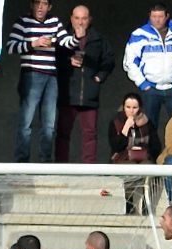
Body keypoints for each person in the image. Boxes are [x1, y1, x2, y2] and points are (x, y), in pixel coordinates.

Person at [5, 0, 76, 163]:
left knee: (49, 124)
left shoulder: (54, 22)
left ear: (49, 7)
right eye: (37, 3)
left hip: (51, 76)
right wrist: (34, 43)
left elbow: (67, 42)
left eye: (44, 3)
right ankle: (22, 162)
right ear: (31, 5)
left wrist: (78, 35)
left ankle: (45, 161)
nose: (40, 7)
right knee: (26, 122)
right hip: (31, 74)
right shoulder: (23, 21)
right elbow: (11, 47)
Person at [54, 5, 114, 164]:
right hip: (68, 93)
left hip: (90, 93)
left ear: (90, 20)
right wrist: (68, 61)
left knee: (90, 133)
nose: (80, 22)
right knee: (62, 133)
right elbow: (53, 60)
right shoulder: (62, 38)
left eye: (84, 18)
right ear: (71, 19)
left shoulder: (98, 39)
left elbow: (109, 60)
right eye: (77, 18)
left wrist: (99, 78)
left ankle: (89, 168)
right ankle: (60, 167)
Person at [123, 3, 172, 134]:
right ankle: (151, 155)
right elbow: (130, 62)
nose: (157, 19)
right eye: (154, 16)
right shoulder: (139, 34)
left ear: (167, 16)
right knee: (148, 129)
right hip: (151, 89)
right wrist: (142, 83)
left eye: (160, 16)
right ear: (149, 16)